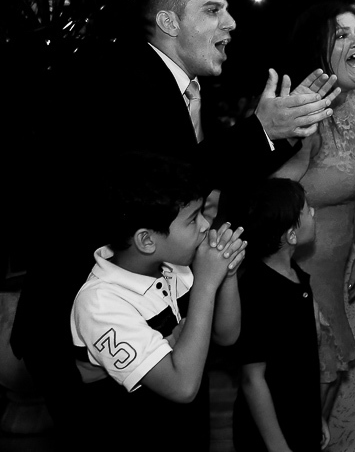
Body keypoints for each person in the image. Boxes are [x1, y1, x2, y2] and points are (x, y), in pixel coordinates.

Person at [11, 0, 338, 449]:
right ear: (168, 23)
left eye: (227, 11)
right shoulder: (122, 76)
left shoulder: (182, 84)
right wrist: (261, 132)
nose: (230, 23)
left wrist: (280, 131)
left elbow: (199, 175)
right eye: (212, 10)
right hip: (87, 316)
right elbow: (157, 181)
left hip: (160, 299)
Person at [274, 1, 355, 452]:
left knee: (333, 368)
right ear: (318, 51)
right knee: (318, 370)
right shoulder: (301, 112)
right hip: (302, 266)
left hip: (342, 262)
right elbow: (273, 195)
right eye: (341, 35)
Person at [69, 153, 246, 451]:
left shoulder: (172, 265)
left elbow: (226, 335)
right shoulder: (99, 303)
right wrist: (205, 284)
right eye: (192, 219)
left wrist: (225, 275)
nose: (206, 225)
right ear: (146, 240)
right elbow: (182, 386)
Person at [223, 177, 323, 452]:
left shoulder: (296, 276)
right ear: (291, 234)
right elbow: (252, 379)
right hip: (269, 434)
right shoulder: (257, 291)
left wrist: (316, 420)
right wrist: (278, 445)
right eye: (306, 210)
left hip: (300, 421)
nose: (313, 212)